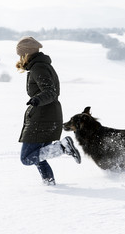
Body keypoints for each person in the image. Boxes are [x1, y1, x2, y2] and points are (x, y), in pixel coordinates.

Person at [16, 36, 81, 185]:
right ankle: (49, 184)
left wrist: (37, 100)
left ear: (26, 53)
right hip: (46, 115)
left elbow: (50, 91)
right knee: (40, 156)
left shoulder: (38, 67)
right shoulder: (38, 66)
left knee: (26, 158)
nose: (19, 58)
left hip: (43, 117)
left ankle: (62, 147)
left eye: (21, 54)